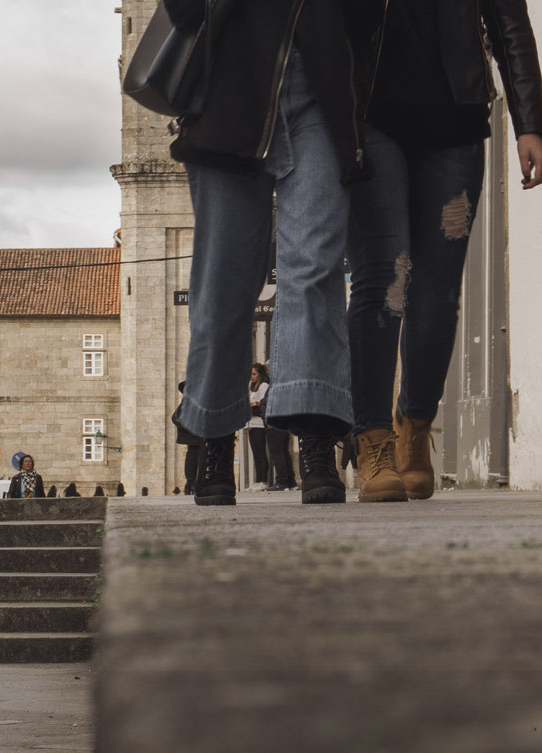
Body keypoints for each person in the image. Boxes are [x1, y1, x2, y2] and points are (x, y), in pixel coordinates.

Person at [167, 0, 392, 506]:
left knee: (313, 270)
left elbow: (367, 17)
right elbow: (182, 11)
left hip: (320, 90)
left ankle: (316, 439)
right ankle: (216, 442)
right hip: (228, 93)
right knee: (222, 283)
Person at [347, 0, 542, 502]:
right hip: (370, 115)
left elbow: (510, 25)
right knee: (383, 276)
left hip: (454, 121)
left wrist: (529, 121)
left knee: (437, 292)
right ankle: (372, 438)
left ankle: (414, 426)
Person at [245, 363, 272, 492]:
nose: (252, 376)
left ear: (260, 374)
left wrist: (251, 408)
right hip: (251, 423)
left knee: (261, 452)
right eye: (251, 374)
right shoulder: (251, 387)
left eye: (254, 374)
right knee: (255, 453)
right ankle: (257, 480)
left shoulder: (263, 386)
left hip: (259, 424)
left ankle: (264, 481)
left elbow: (261, 405)